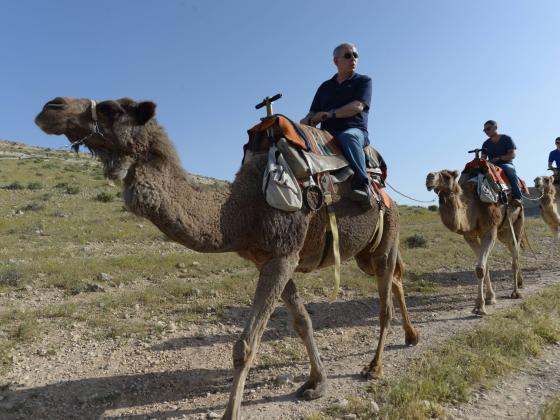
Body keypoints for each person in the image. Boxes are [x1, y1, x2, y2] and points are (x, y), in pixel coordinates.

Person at [300, 42, 372, 202]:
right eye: (348, 55)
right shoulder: (324, 87)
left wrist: (330, 114)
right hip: (327, 134)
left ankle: (363, 185)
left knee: (348, 137)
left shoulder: (363, 81)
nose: (353, 58)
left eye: (355, 55)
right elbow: (308, 117)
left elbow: (358, 106)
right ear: (336, 61)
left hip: (355, 130)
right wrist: (311, 120)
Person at [481, 120, 522, 206]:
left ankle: (517, 197)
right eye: (485, 130)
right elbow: (483, 159)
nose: (486, 132)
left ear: (495, 127)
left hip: (506, 164)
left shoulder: (507, 139)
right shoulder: (485, 144)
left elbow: (512, 155)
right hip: (491, 166)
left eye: (488, 129)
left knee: (510, 171)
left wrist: (499, 158)